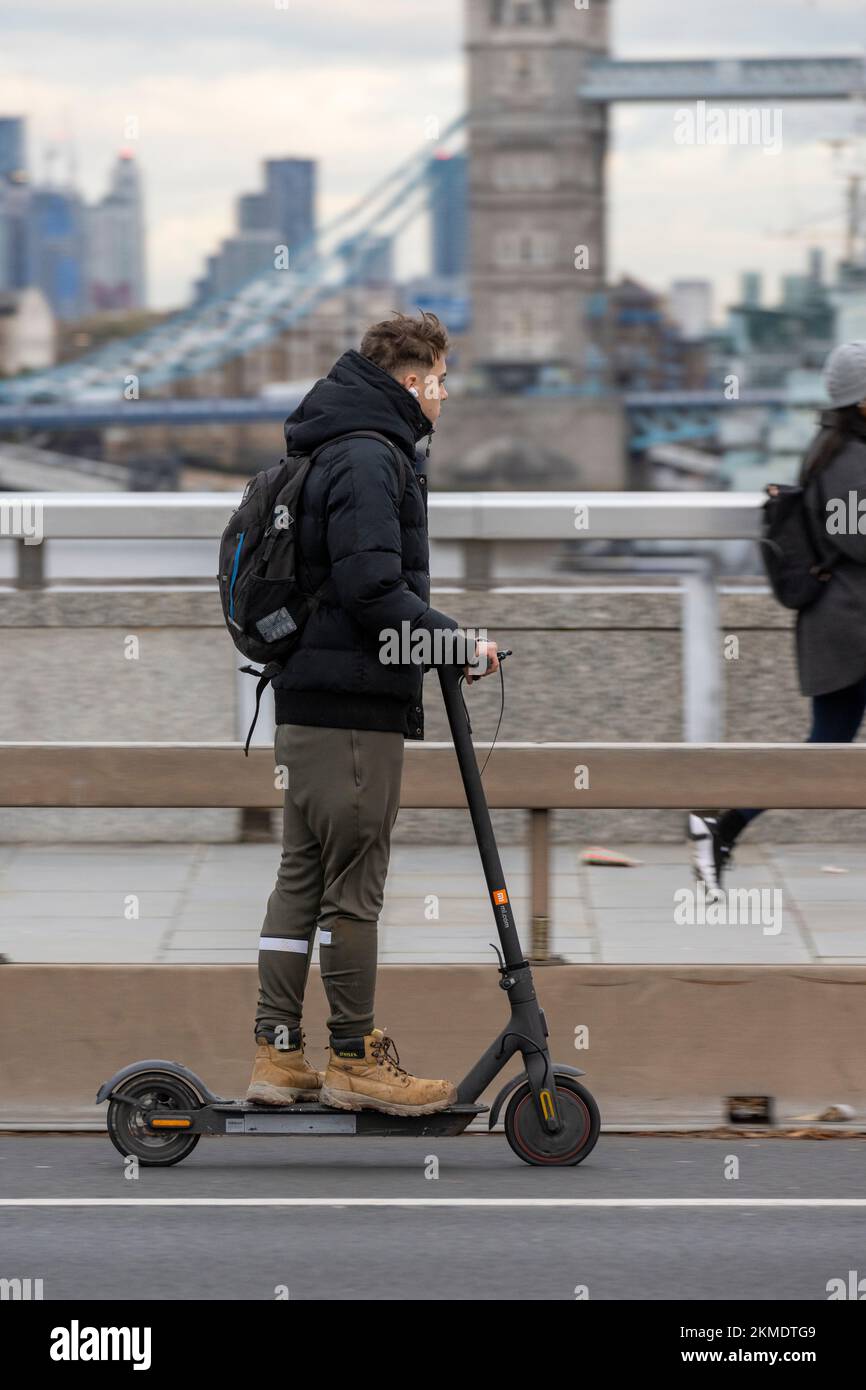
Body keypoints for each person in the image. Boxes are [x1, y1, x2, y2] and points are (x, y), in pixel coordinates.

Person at [246, 311, 500, 1114]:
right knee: (353, 887)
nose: (446, 394)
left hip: (307, 701)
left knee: (302, 877)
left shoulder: (331, 439)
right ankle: (354, 1057)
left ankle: (277, 1054)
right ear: (412, 379)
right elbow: (372, 592)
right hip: (354, 705)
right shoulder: (369, 455)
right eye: (441, 379)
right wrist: (457, 643)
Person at [690, 339, 866, 894]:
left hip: (844, 624)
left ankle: (724, 825)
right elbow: (855, 537)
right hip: (850, 627)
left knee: (826, 742)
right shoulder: (848, 458)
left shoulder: (839, 448)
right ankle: (723, 824)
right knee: (824, 743)